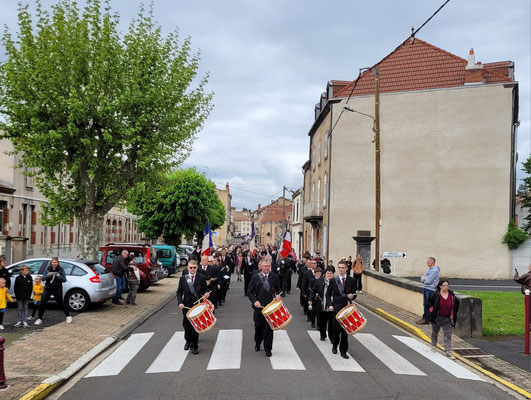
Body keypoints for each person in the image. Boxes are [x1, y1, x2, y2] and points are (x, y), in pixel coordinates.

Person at [247, 259, 281, 357]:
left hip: (270, 307)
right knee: (259, 327)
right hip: (259, 307)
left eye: (268, 266)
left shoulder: (274, 277)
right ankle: (258, 342)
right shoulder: (255, 277)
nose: (267, 268)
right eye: (265, 266)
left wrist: (278, 295)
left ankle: (268, 348)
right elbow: (250, 292)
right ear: (261, 267)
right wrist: (255, 301)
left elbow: (279, 289)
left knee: (269, 329)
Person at [176, 259, 209, 355]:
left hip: (198, 306)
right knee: (186, 325)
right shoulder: (183, 278)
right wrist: (180, 302)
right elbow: (179, 292)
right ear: (188, 268)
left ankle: (194, 346)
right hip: (186, 306)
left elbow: (205, 289)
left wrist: (206, 293)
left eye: (194, 268)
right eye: (191, 268)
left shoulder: (201, 277)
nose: (192, 269)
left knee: (196, 326)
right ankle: (188, 341)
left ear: (197, 268)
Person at [326, 260, 357, 359]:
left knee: (345, 331)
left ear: (346, 268)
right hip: (336, 308)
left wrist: (352, 296)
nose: (341, 269)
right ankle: (335, 345)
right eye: (339, 267)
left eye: (342, 267)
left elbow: (354, 294)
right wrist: (330, 305)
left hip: (346, 308)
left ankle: (343, 351)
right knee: (336, 330)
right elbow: (328, 295)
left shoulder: (351, 280)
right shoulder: (333, 280)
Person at [427, 279, 460, 359]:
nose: (446, 287)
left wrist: (453, 314)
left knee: (448, 335)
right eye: (444, 285)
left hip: (448, 319)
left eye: (447, 285)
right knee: (435, 332)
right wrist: (432, 310)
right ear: (440, 286)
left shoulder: (452, 296)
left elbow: (457, 305)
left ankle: (448, 351)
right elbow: (428, 302)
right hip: (437, 317)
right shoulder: (435, 295)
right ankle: (433, 346)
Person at [35, 257, 72, 325]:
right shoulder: (48, 268)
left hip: (57, 288)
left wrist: (59, 276)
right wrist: (48, 275)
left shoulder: (61, 269)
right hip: (48, 287)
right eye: (53, 262)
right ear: (51, 263)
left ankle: (68, 316)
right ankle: (39, 318)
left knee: (60, 302)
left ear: (58, 263)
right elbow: (43, 278)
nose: (54, 264)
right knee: (42, 302)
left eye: (56, 262)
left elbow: (64, 280)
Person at [417, 257, 440, 325]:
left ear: (432, 262)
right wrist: (426, 279)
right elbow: (422, 279)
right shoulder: (429, 270)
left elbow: (428, 281)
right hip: (426, 288)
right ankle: (424, 317)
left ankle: (427, 319)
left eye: (428, 261)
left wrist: (426, 279)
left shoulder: (435, 270)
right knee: (425, 304)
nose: (427, 263)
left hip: (431, 289)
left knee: (428, 304)